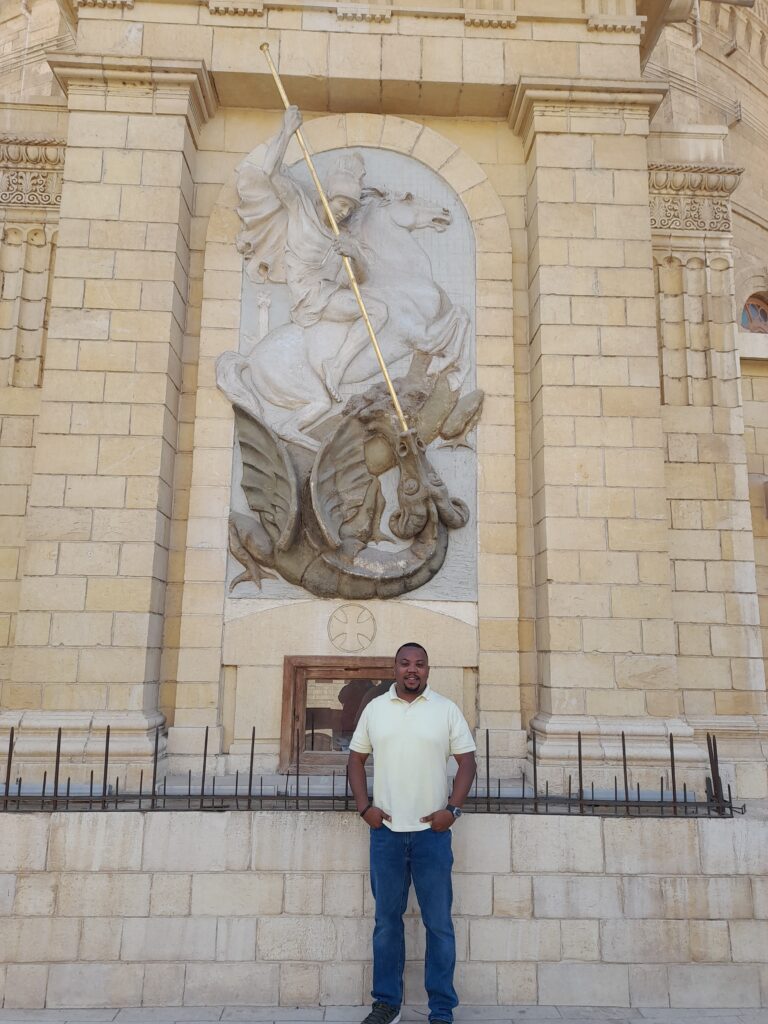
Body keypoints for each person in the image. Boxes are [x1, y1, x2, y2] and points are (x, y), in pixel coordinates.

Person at [347, 643, 477, 1024]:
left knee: (438, 924)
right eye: (405, 664)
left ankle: (441, 1011)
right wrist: (364, 808)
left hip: (431, 837)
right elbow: (355, 760)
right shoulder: (375, 709)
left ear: (427, 669)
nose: (412, 670)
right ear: (395, 668)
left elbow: (467, 762)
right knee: (387, 923)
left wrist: (452, 810)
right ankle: (387, 1005)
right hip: (386, 833)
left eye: (419, 664)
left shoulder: (445, 709)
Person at [236, 104, 388, 402]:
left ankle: (338, 364)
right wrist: (286, 132)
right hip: (311, 298)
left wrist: (353, 254)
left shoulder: (339, 237)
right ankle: (337, 366)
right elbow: (270, 173)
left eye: (349, 209)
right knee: (377, 311)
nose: (344, 213)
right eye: (340, 204)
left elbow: (358, 280)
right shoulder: (300, 208)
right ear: (326, 197)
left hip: (329, 293)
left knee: (376, 308)